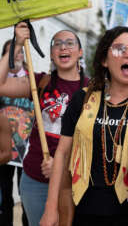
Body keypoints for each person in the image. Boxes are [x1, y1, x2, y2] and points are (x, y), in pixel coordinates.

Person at [40, 26, 128, 226]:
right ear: (104, 60)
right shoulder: (83, 98)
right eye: (119, 48)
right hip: (87, 211)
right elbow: (62, 154)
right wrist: (51, 208)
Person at [0, 21, 88, 226]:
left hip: (74, 182)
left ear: (80, 52)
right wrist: (17, 44)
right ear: (51, 53)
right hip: (34, 180)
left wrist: (62, 167)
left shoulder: (92, 90)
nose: (63, 47)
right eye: (57, 44)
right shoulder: (39, 82)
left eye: (69, 43)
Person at [0, 39, 32, 226]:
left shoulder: (33, 79)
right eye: (9, 52)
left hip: (26, 148)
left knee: (26, 194)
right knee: (4, 195)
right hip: (3, 148)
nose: (15, 56)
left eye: (18, 52)